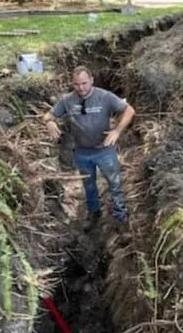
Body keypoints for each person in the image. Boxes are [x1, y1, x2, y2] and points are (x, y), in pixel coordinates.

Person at [46, 66, 135, 225]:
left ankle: (120, 216)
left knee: (114, 183)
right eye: (76, 84)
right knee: (89, 186)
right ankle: (94, 215)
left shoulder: (105, 97)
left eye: (84, 83)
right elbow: (49, 115)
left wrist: (117, 131)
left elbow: (129, 111)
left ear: (92, 81)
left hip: (104, 151)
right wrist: (50, 123)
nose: (81, 88)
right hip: (81, 152)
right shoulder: (67, 100)